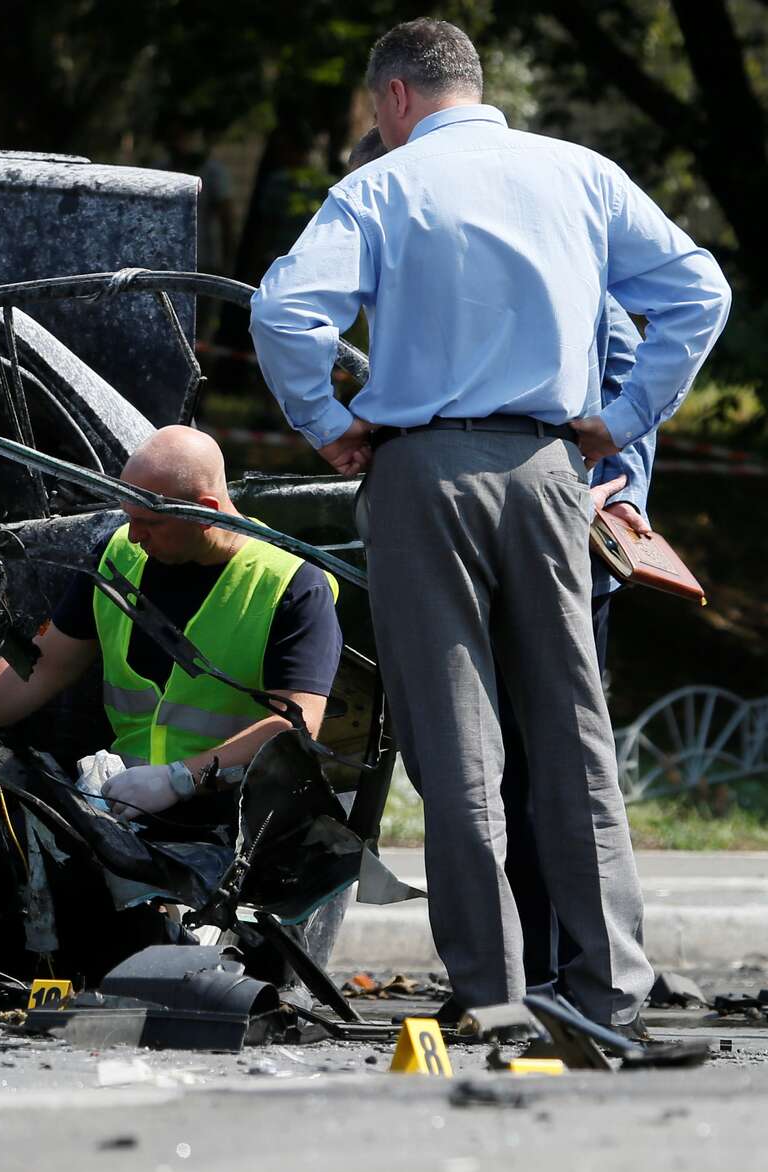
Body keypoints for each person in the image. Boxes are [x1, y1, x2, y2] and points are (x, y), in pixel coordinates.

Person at [249, 19, 728, 1027]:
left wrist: (328, 425)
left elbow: (284, 311)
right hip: (553, 465)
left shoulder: (378, 190)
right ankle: (607, 991)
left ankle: (492, 992)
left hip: (422, 471)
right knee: (573, 733)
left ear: (392, 101)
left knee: (457, 744)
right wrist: (623, 416)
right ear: (472, 83)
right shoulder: (580, 175)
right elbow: (697, 288)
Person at [347, 126, 659, 1008]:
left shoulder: (400, 208)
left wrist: (621, 480)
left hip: (527, 501)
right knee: (545, 750)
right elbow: (663, 324)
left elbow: (624, 348)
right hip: (548, 494)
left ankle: (518, 984)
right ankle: (582, 987)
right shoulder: (555, 204)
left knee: (488, 753)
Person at [0, 426, 343, 817]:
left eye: (150, 523)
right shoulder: (117, 557)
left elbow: (294, 727)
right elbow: (42, 666)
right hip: (122, 807)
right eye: (128, 518)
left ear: (205, 513)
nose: (134, 536)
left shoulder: (294, 584)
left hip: (233, 822)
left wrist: (180, 779)